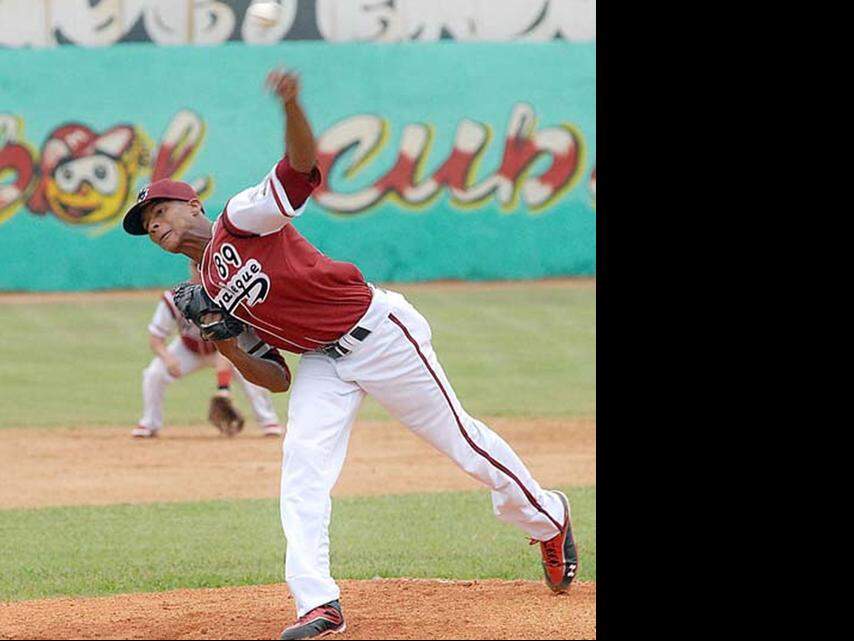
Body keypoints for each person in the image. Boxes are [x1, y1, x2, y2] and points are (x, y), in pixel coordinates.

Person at [121, 68, 577, 640]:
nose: (156, 223)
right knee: (302, 468)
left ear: (193, 205)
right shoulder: (205, 288)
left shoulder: (241, 219)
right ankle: (318, 604)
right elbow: (276, 378)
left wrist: (291, 104)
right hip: (322, 362)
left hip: (379, 333)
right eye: (147, 223)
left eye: (161, 210)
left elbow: (299, 172)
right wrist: (224, 343)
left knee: (462, 444)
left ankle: (548, 517)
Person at [134, 260, 283, 438]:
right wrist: (167, 358)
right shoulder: (174, 298)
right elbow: (156, 339)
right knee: (154, 374)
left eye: (203, 266)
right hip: (188, 349)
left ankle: (268, 421)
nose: (199, 270)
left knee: (252, 371)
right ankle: (149, 423)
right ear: (190, 268)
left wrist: (223, 388)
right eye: (195, 266)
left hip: (225, 349)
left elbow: (230, 345)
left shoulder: (227, 296)